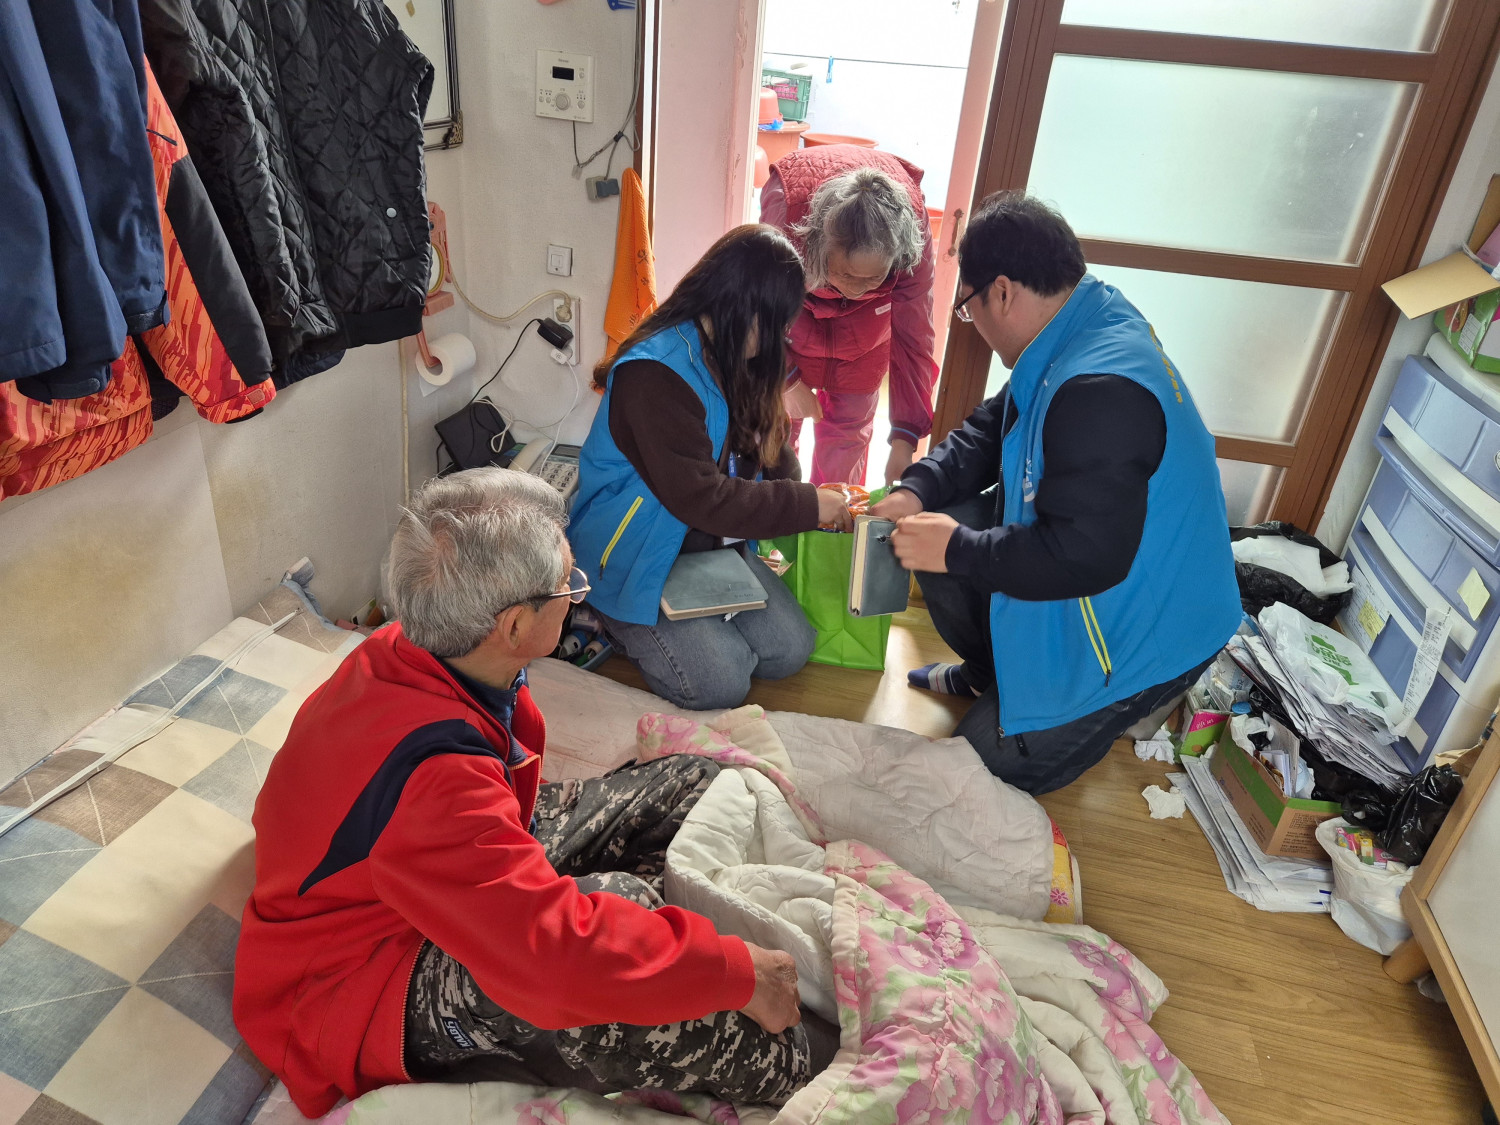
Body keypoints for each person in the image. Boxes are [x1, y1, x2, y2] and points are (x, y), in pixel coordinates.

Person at [234, 469, 812, 1118]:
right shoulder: (436, 777)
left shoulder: (426, 644)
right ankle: (741, 1013)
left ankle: (660, 949)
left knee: (693, 784)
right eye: (568, 584)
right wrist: (734, 972)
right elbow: (552, 959)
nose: (576, 593)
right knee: (762, 1039)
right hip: (362, 979)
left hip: (435, 879)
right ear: (512, 625)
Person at [870, 191, 1241, 795]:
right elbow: (994, 425)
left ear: (1002, 293)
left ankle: (1088, 706)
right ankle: (992, 674)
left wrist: (957, 549)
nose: (974, 323)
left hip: (1150, 627)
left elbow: (1085, 557)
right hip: (1106, 567)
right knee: (942, 520)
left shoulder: (1101, 389)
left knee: (983, 771)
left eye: (968, 307)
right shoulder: (1079, 324)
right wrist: (918, 487)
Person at [569, 224, 851, 712]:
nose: (777, 341)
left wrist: (802, 490)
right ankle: (606, 614)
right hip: (635, 554)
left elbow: (764, 449)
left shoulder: (734, 352)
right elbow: (703, 498)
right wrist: (807, 504)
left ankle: (685, 624)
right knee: (722, 684)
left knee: (790, 650)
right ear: (742, 306)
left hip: (706, 543)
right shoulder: (654, 373)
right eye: (775, 326)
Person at [761, 145, 939, 488]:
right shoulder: (787, 214)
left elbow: (914, 335)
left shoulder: (912, 236)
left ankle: (835, 515)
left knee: (847, 443)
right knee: (775, 437)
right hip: (790, 323)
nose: (856, 289)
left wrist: (904, 440)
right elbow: (759, 312)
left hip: (866, 338)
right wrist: (786, 380)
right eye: (845, 274)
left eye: (873, 278)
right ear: (817, 245)